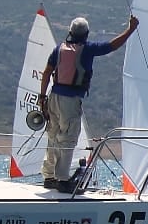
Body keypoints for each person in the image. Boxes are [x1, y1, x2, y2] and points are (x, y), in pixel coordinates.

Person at [38, 14, 138, 192]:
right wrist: (130, 29)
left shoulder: (58, 49)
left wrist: (42, 98)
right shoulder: (88, 49)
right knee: (68, 138)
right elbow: (111, 46)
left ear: (70, 32)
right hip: (70, 100)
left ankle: (49, 176)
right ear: (86, 34)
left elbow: (47, 73)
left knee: (53, 135)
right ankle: (62, 180)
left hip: (53, 97)